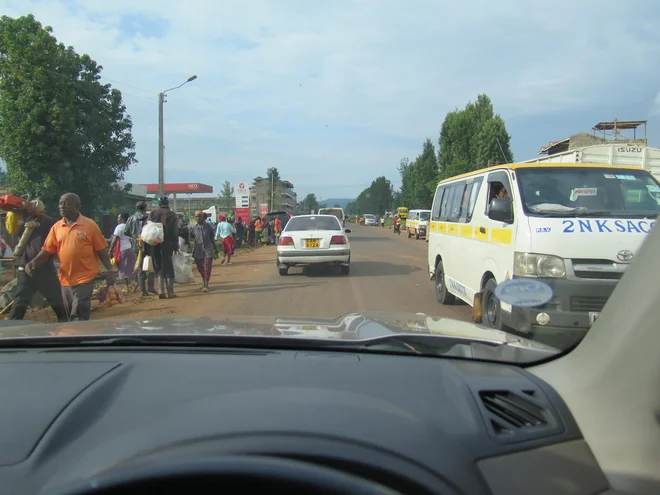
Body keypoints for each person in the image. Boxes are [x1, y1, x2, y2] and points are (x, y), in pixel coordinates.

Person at [26, 193, 115, 321]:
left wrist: (110, 270)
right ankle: (76, 335)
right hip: (65, 278)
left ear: (77, 206)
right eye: (61, 203)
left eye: (67, 203)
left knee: (79, 310)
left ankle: (77, 337)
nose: (62, 206)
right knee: (69, 312)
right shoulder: (56, 227)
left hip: (85, 277)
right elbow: (47, 250)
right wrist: (33, 262)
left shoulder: (90, 225)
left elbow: (101, 250)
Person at [9, 207, 68, 322]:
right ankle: (67, 325)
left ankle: (12, 329)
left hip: (24, 268)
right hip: (43, 268)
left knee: (20, 301)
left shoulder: (21, 221)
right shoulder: (48, 221)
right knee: (56, 300)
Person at [148, 196, 179, 299]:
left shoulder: (153, 213)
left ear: (159, 204)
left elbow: (147, 227)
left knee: (158, 265)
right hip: (168, 243)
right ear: (168, 203)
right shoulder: (172, 214)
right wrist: (176, 245)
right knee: (168, 265)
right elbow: (175, 232)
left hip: (154, 243)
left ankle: (161, 290)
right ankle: (170, 292)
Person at [124, 201, 156, 296]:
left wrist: (134, 236)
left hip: (136, 245)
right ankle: (151, 287)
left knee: (140, 267)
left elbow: (126, 231)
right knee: (150, 265)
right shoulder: (149, 218)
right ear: (145, 208)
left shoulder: (131, 218)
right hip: (149, 244)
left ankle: (143, 290)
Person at [108, 213, 135, 293]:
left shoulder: (119, 227)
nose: (118, 219)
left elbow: (114, 239)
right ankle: (132, 283)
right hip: (130, 248)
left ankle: (127, 286)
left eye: (119, 218)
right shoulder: (129, 226)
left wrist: (110, 250)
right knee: (129, 267)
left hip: (122, 249)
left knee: (122, 268)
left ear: (123, 219)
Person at [191, 211, 216, 292]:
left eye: (199, 216)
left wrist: (215, 248)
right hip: (198, 250)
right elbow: (192, 237)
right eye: (196, 216)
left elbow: (212, 237)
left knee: (207, 267)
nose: (197, 218)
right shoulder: (194, 228)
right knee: (200, 267)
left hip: (208, 249)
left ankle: (206, 284)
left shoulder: (208, 226)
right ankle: (204, 281)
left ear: (202, 217)